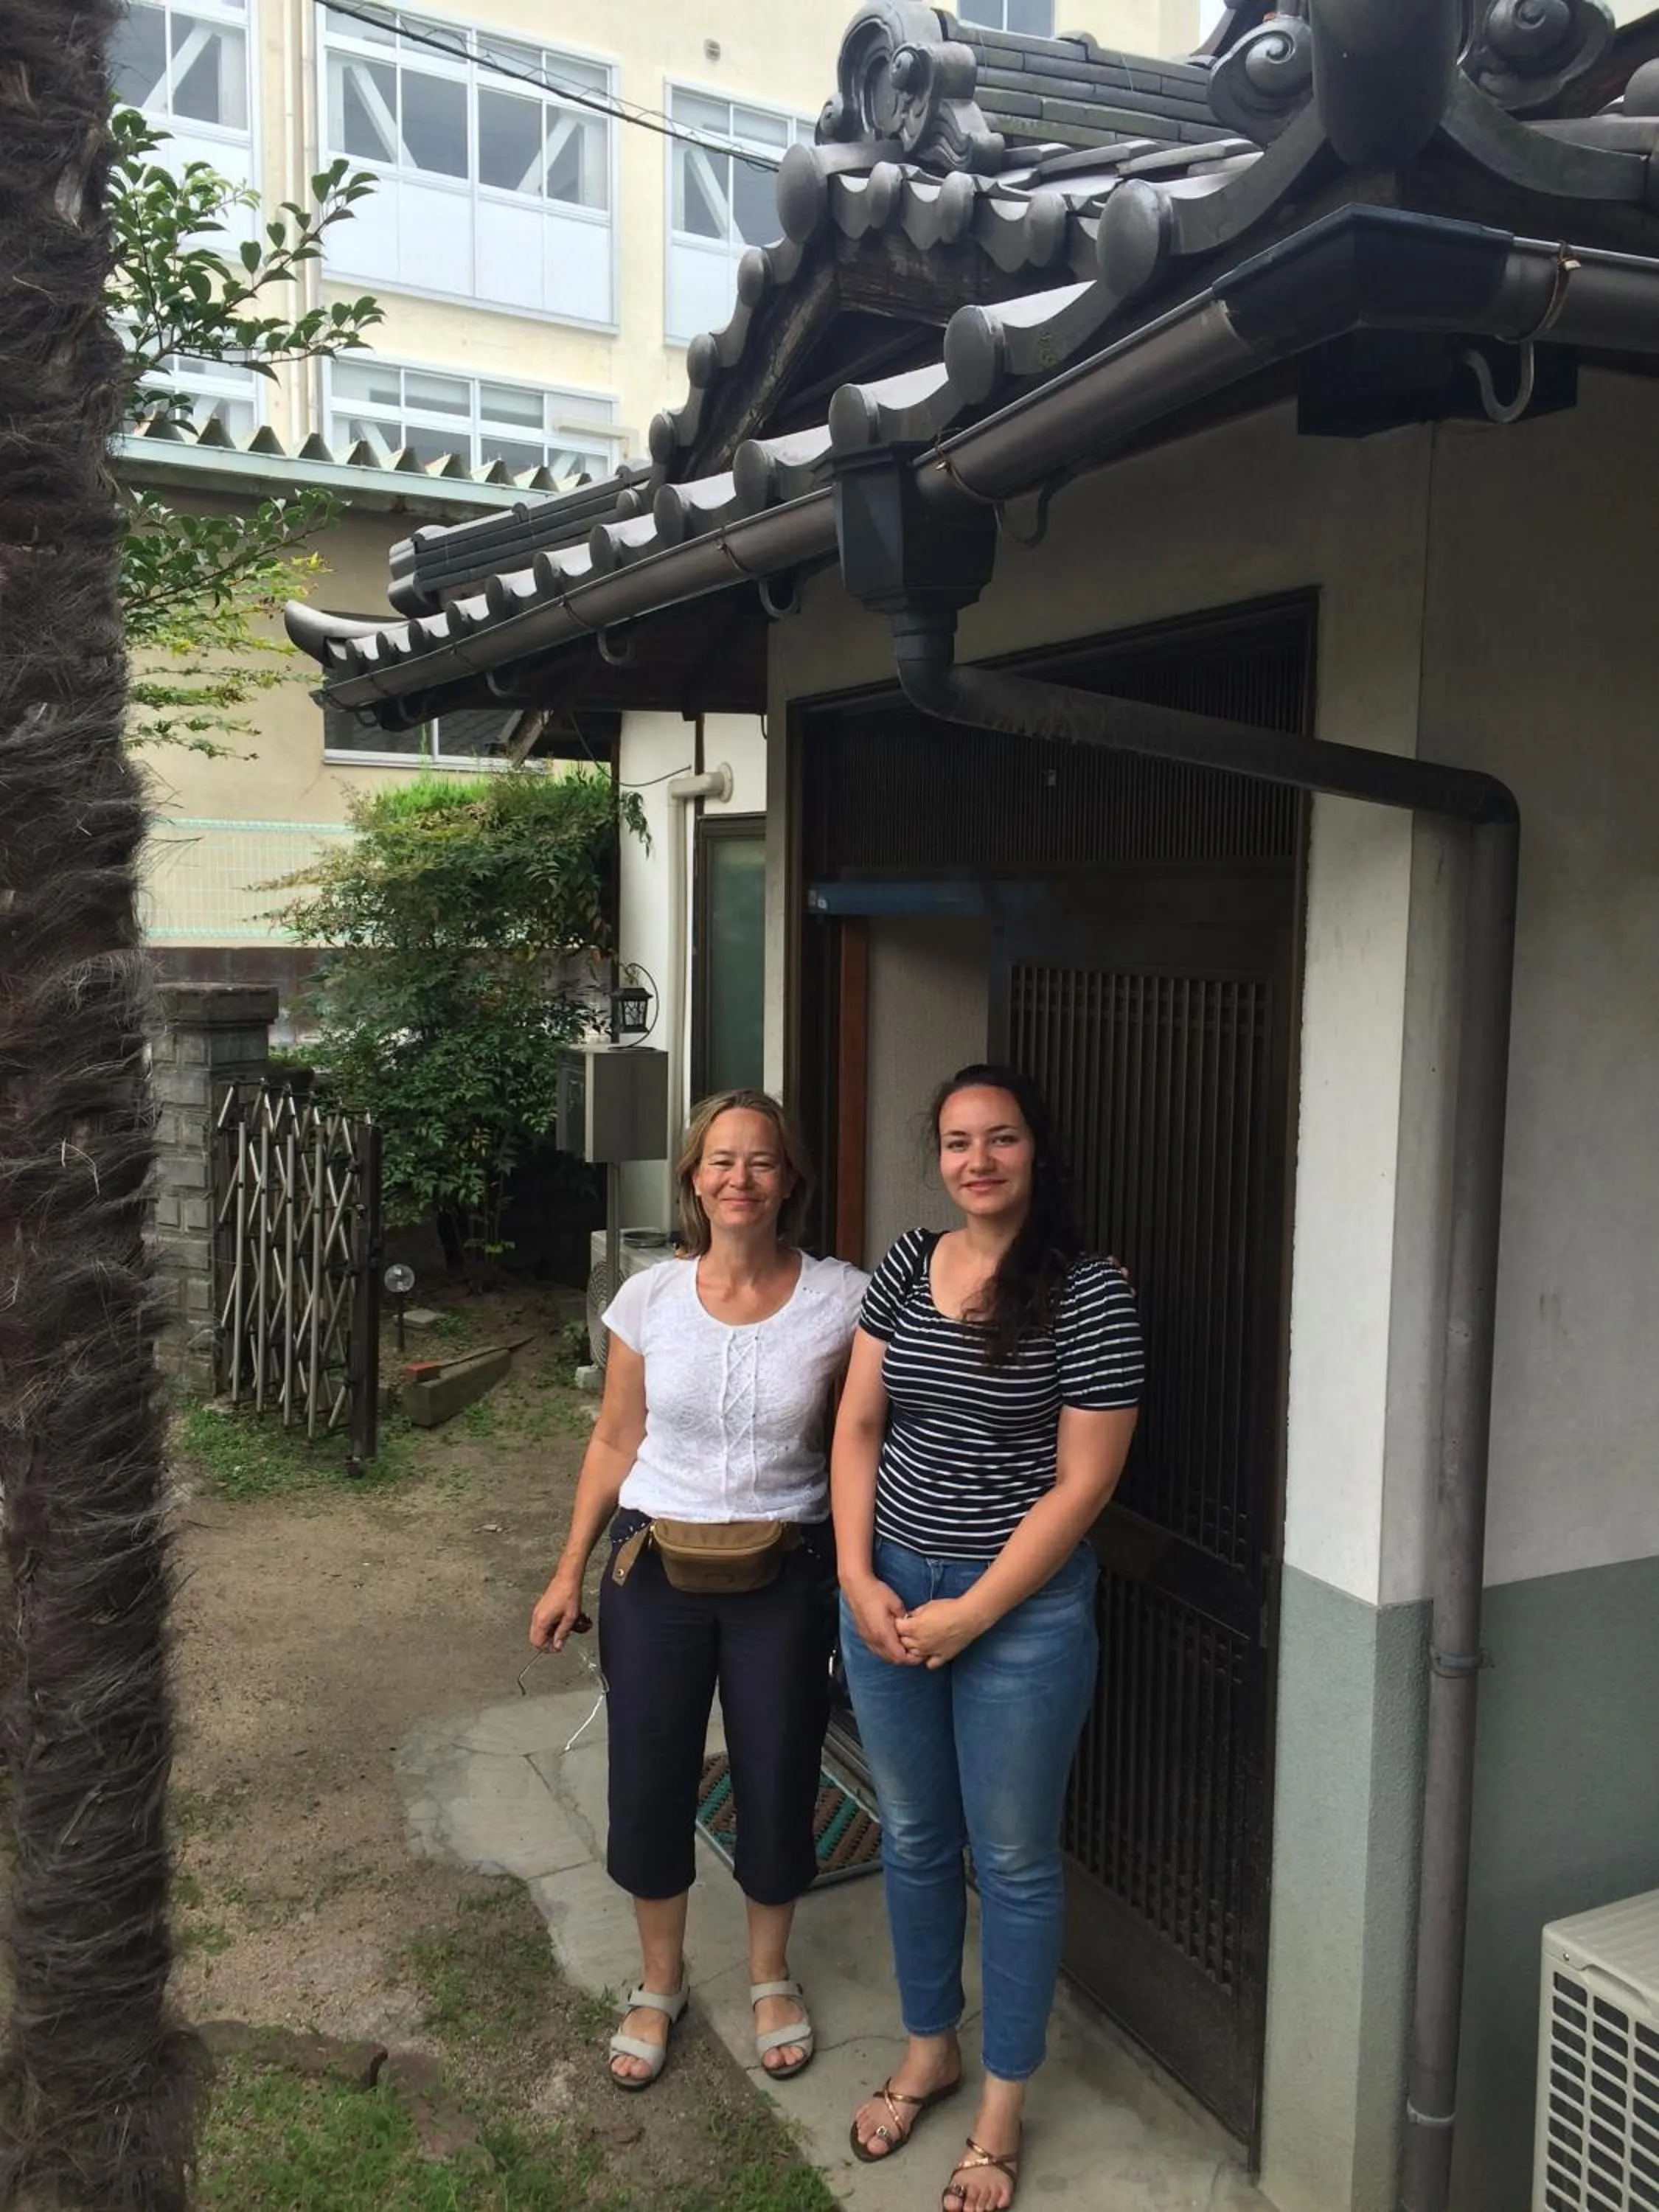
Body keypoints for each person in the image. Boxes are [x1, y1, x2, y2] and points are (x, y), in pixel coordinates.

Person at [832, 1064, 1143, 2212]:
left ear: (1035, 1153)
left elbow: (1083, 1486)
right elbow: (861, 1425)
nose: (977, 1161)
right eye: (958, 1141)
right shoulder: (908, 1263)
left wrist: (977, 1609)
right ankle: (930, 2048)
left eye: (1000, 1140)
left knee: (1010, 1863)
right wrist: (858, 1576)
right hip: (889, 1596)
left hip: (1016, 1613)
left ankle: (1002, 2104)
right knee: (911, 1833)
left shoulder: (1089, 1291)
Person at [529, 1088, 866, 2092]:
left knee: (775, 1768)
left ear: (789, 1180)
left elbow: (925, 1325)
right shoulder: (647, 1299)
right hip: (654, 1570)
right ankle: (659, 1980)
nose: (738, 1179)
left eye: (759, 1161)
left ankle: (769, 1975)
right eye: (719, 1161)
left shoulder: (842, 1298)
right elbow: (616, 1439)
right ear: (691, 1180)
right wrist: (566, 1571)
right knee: (649, 1771)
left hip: (784, 1571)